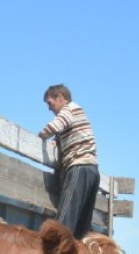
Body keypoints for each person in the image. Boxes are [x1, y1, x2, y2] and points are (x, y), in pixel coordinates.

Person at [38, 84, 100, 239]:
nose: (49, 109)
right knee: (81, 226)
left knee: (64, 222)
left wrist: (40, 136)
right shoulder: (77, 113)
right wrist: (57, 140)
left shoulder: (69, 109)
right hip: (92, 170)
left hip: (79, 167)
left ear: (60, 97)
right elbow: (65, 131)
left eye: (50, 103)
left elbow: (55, 125)